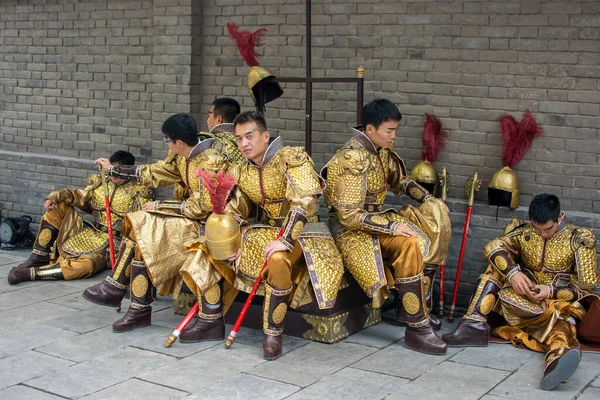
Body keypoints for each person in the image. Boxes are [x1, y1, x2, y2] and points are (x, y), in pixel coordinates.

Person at [182, 111, 344, 360]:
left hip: (304, 232)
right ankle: (211, 318)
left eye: (250, 136)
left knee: (278, 258)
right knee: (207, 247)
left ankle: (273, 332)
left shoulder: (292, 158)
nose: (244, 143)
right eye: (239, 139)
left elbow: (304, 202)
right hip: (264, 231)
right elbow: (236, 210)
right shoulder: (241, 170)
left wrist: (285, 239)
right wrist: (231, 241)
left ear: (265, 136)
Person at [82, 111, 242, 333]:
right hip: (189, 219)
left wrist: (159, 206)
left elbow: (202, 207)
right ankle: (135, 306)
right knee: (140, 230)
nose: (166, 144)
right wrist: (115, 170)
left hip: (211, 224)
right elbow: (155, 172)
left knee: (142, 223)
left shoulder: (210, 162)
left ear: (178, 142)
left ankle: (117, 287)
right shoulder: (182, 157)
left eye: (167, 140)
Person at [321, 99, 451, 355]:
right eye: (389, 130)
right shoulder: (352, 159)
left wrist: (429, 199)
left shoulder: (380, 152)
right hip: (351, 232)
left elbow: (400, 181)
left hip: (376, 223)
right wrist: (392, 229)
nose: (393, 136)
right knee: (408, 242)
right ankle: (417, 328)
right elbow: (347, 216)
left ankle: (414, 309)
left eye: (395, 130)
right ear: (370, 129)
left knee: (431, 227)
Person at [442, 193, 600, 391]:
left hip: (559, 304)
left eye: (548, 229)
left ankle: (556, 359)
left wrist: (551, 290)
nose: (542, 234)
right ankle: (472, 326)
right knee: (495, 268)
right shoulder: (523, 233)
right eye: (537, 228)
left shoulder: (578, 239)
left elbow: (585, 289)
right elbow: (492, 247)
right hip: (522, 300)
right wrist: (513, 274)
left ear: (560, 217)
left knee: (562, 327)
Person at [8, 151, 153, 284]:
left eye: (117, 171)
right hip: (91, 232)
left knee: (87, 265)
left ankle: (32, 273)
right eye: (111, 170)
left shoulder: (138, 190)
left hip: (112, 245)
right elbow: (78, 196)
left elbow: (142, 221)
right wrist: (54, 197)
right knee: (58, 205)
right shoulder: (101, 184)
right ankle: (39, 256)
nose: (112, 175)